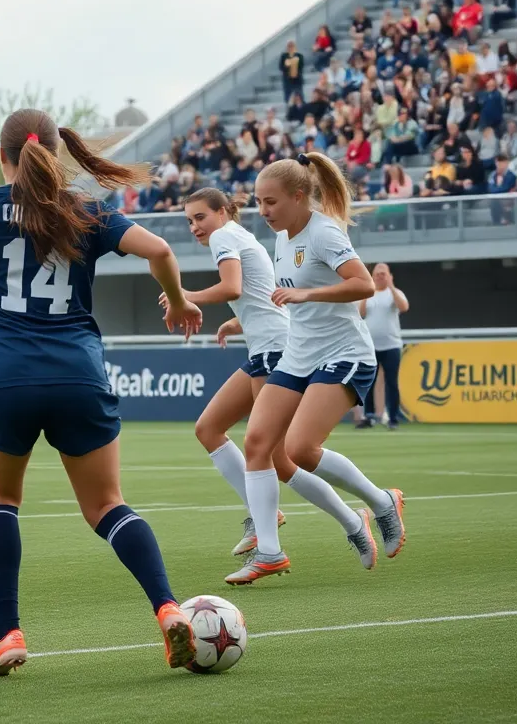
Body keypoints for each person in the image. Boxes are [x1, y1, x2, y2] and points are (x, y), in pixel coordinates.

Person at [0, 109, 203, 676]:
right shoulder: (85, 209)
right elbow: (159, 250)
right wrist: (178, 302)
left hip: (3, 378)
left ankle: (6, 633)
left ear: (1, 157)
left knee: (0, 501)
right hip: (77, 374)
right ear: (57, 155)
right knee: (107, 505)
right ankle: (168, 609)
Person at [163, 188, 377, 581]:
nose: (195, 227)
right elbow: (263, 297)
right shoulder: (244, 237)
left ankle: (300, 532)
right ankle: (342, 521)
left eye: (200, 218)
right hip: (267, 347)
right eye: (189, 221)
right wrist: (236, 322)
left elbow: (233, 287)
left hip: (277, 352)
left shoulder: (226, 237)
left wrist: (184, 296)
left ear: (224, 212)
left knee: (273, 455)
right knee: (212, 430)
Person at [236, 152, 407, 584]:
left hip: (345, 354)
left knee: (299, 449)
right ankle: (270, 553)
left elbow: (362, 283)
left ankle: (381, 501)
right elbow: (290, 296)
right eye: (258, 202)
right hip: (300, 353)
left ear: (298, 197)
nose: (263, 211)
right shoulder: (282, 236)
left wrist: (308, 296)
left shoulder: (324, 233)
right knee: (258, 443)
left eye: (270, 202)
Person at [357, 263, 409, 430]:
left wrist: (391, 286)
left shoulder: (394, 293)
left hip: (391, 345)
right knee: (368, 381)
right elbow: (361, 313)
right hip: (370, 346)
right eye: (377, 274)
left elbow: (404, 307)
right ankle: (369, 416)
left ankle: (393, 417)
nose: (380, 276)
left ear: (389, 275)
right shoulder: (368, 294)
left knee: (391, 382)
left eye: (383, 274)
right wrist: (367, 290)